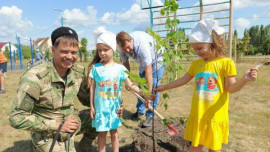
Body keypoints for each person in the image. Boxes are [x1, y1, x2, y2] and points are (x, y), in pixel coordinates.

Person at [9, 26, 123, 152]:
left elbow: (89, 100)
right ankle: (37, 146)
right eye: (64, 51)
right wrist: (57, 125)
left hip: (72, 122)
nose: (69, 57)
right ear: (53, 50)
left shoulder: (77, 72)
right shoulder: (35, 77)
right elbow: (17, 117)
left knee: (97, 116)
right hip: (47, 131)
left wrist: (114, 106)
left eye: (74, 53)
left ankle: (84, 146)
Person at [154, 19, 258, 152]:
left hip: (215, 116)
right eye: (195, 49)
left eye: (200, 48)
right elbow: (183, 80)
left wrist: (244, 79)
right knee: (195, 147)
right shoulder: (196, 64)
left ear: (213, 44)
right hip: (198, 115)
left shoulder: (226, 63)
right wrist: (164, 87)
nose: (197, 52)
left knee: (214, 148)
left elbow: (230, 88)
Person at [88, 30, 143, 152]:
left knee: (114, 132)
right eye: (99, 50)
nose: (102, 53)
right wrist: (91, 106)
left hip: (114, 108)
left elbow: (130, 84)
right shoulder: (95, 69)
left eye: (105, 50)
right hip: (100, 108)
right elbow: (92, 87)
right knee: (101, 134)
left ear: (113, 49)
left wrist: (143, 92)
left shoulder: (120, 69)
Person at [116, 31, 164, 127]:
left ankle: (150, 116)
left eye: (128, 47)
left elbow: (149, 71)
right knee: (140, 86)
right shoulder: (121, 48)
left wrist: (148, 95)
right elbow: (125, 64)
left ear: (130, 40)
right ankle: (140, 111)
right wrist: (128, 80)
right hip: (143, 62)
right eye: (125, 49)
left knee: (153, 87)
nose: (128, 51)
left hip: (157, 59)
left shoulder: (142, 45)